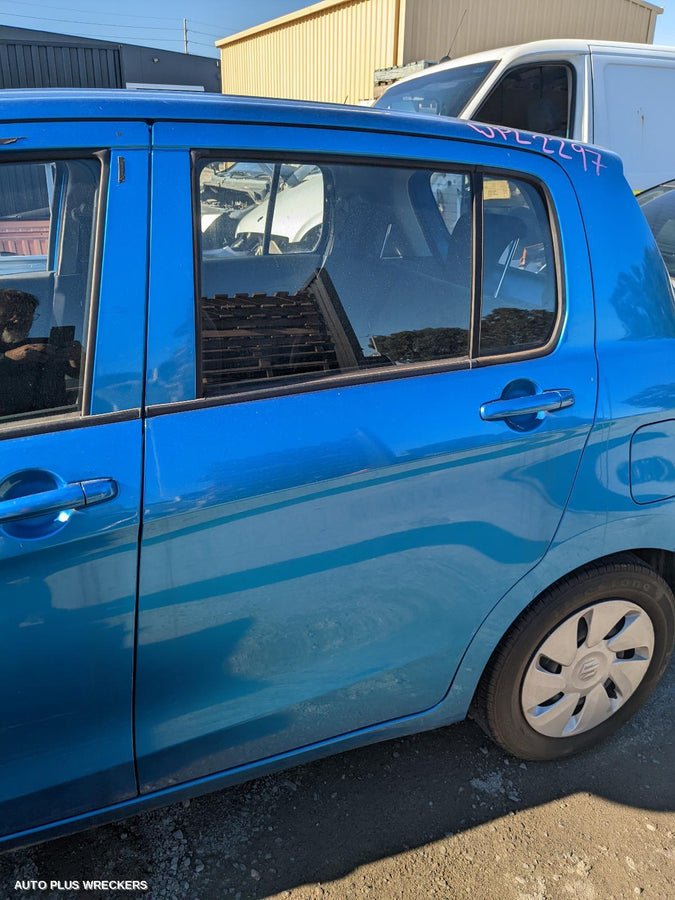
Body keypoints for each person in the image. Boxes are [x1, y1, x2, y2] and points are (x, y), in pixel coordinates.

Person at [0, 288, 80, 417]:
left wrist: (76, 357)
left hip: (59, 417)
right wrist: (8, 357)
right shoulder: (12, 352)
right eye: (17, 315)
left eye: (29, 315)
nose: (24, 321)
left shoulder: (45, 345)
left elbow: (79, 376)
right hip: (10, 422)